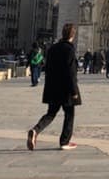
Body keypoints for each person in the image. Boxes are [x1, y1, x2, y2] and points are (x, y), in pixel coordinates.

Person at [27, 23, 81, 151]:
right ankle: (64, 141)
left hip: (53, 88)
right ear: (72, 35)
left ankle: (35, 130)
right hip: (66, 89)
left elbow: (47, 68)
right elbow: (71, 72)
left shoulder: (52, 48)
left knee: (51, 113)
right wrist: (74, 91)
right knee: (69, 114)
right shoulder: (70, 49)